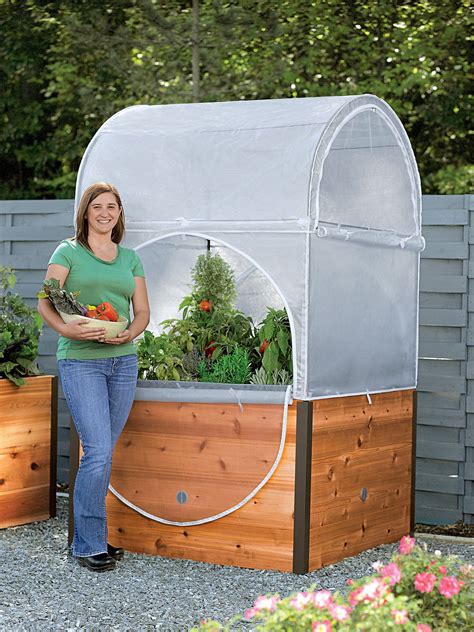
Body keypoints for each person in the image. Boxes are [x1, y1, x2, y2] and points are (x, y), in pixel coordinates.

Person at [37, 182, 150, 572]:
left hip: (123, 362)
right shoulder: (67, 251)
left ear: (120, 214)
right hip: (81, 361)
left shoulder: (130, 258)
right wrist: (67, 331)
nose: (105, 213)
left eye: (112, 207)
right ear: (85, 212)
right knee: (98, 451)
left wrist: (128, 333)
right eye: (97, 207)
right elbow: (45, 301)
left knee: (102, 452)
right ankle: (86, 545)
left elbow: (142, 314)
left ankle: (94, 538)